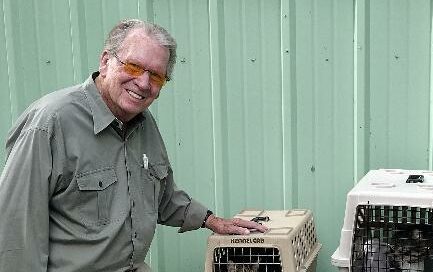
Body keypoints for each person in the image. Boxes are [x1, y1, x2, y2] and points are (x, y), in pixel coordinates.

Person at [0, 19, 267, 272]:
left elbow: (161, 197)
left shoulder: (142, 122)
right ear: (106, 62)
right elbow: (15, 232)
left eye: (156, 77)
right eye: (133, 67)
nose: (143, 83)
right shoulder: (50, 123)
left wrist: (211, 220)